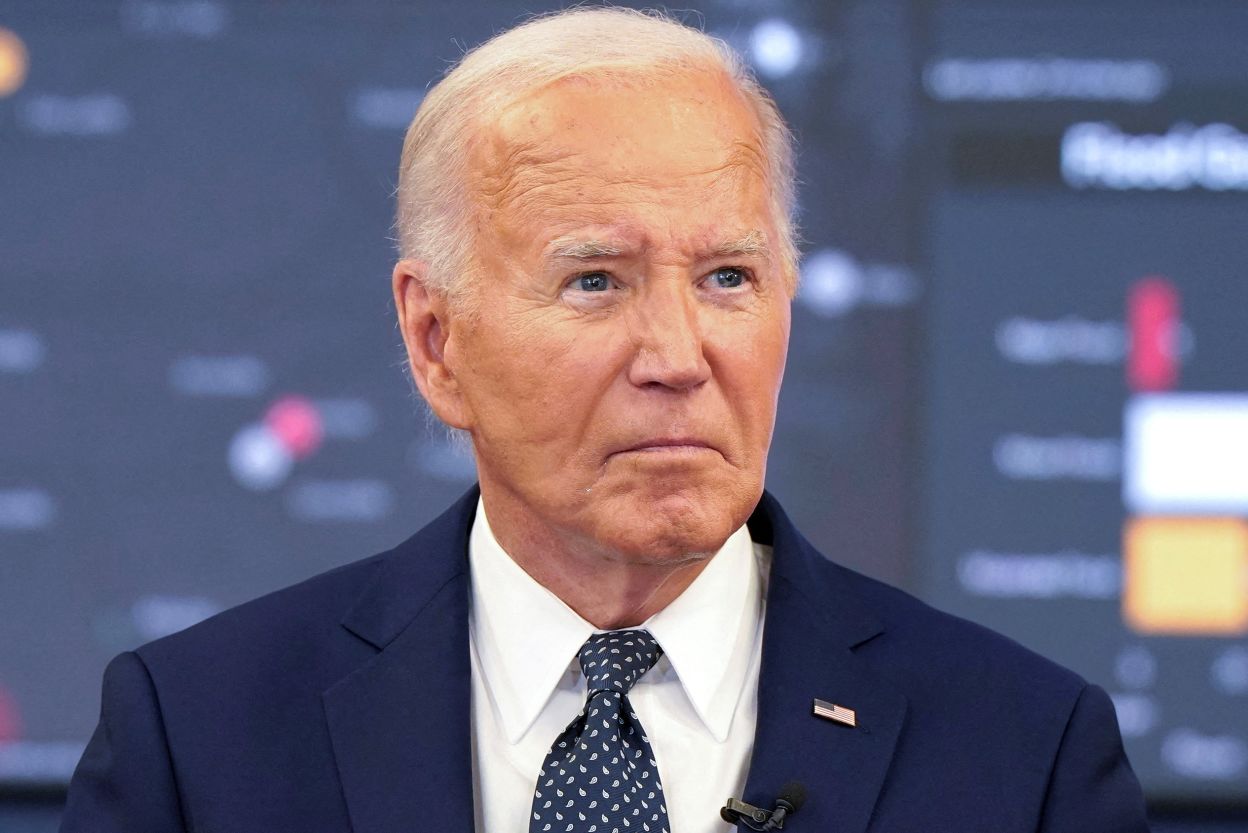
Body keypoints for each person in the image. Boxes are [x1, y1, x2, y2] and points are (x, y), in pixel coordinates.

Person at [60, 8, 1148, 832]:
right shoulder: (197, 741)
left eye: (727, 276)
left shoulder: (1023, 753)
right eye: (594, 281)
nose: (678, 357)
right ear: (436, 341)